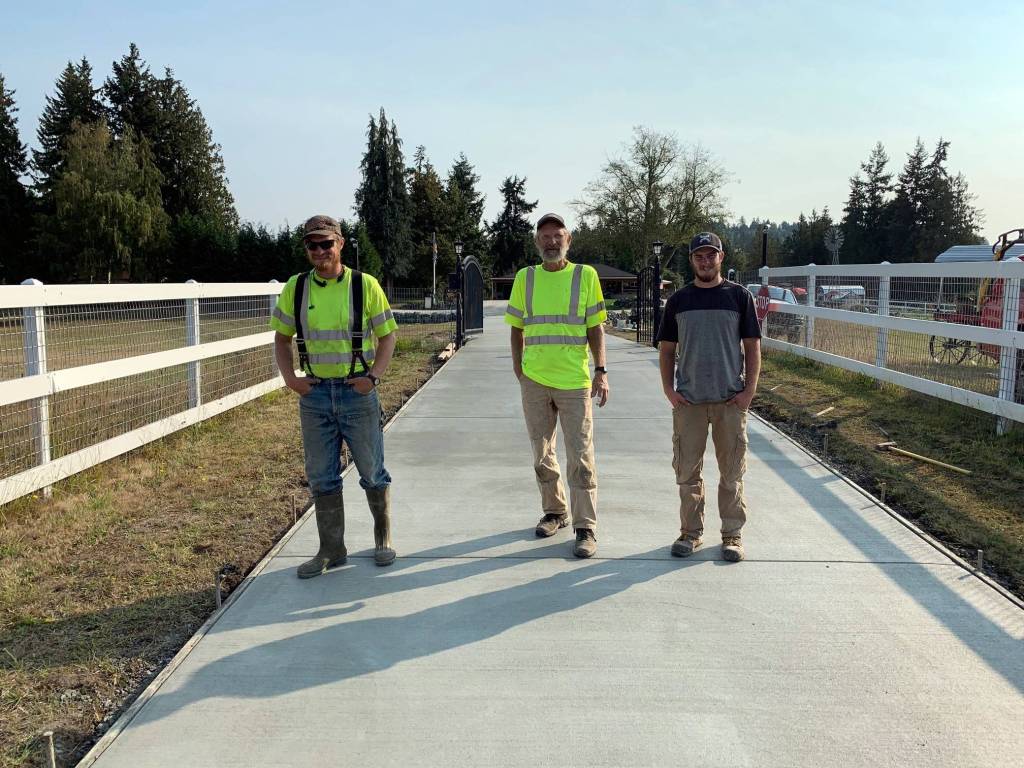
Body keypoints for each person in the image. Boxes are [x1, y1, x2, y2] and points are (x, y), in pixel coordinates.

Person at [269, 215, 399, 578]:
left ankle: (382, 536)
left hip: (356, 392)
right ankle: (331, 548)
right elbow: (280, 338)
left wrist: (373, 378)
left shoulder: (364, 285)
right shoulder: (296, 287)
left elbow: (388, 336)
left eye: (326, 243)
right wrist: (290, 379)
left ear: (340, 243)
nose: (320, 251)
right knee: (321, 476)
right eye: (312, 245)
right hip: (314, 397)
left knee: (372, 470)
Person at [505, 212, 609, 558]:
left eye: (557, 235)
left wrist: (601, 370)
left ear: (569, 240)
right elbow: (516, 326)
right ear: (537, 241)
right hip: (534, 380)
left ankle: (585, 527)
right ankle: (555, 511)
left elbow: (595, 327)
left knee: (581, 456)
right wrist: (519, 368)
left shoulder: (585, 276)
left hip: (574, 381)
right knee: (542, 452)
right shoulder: (526, 277)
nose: (551, 242)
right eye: (545, 236)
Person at [656, 232, 761, 562]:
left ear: (721, 257)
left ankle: (732, 535)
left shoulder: (739, 297)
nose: (705, 261)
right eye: (699, 256)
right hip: (690, 401)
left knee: (731, 472)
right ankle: (690, 533)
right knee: (688, 472)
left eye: (710, 255)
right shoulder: (678, 301)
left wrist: (748, 392)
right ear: (692, 261)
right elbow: (667, 350)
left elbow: (752, 347)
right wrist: (669, 390)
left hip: (729, 400)